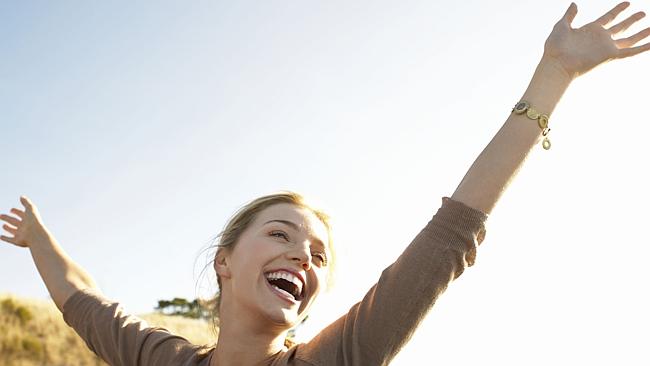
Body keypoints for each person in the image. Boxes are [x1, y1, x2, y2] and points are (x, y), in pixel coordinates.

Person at [2, 2, 649, 365]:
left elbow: (449, 239)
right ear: (224, 261)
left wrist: (552, 78)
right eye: (281, 234)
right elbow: (80, 301)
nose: (301, 257)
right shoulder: (159, 359)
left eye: (318, 256)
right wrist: (37, 240)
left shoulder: (337, 361)